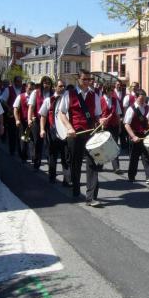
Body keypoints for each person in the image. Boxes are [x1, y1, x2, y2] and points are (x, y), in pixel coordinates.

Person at [58, 69, 107, 206]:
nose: (87, 82)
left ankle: (91, 197)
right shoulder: (69, 94)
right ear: (78, 79)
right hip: (75, 133)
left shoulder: (94, 95)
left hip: (90, 133)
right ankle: (76, 189)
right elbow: (62, 113)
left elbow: (97, 115)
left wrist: (101, 120)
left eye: (89, 79)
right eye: (84, 79)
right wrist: (69, 128)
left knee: (93, 163)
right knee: (76, 163)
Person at [39, 79, 71, 186]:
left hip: (65, 132)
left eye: (64, 86)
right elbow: (43, 116)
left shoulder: (68, 99)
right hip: (52, 132)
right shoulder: (48, 100)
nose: (63, 88)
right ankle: (52, 177)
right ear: (55, 87)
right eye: (60, 86)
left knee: (66, 157)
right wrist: (42, 129)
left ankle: (67, 180)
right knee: (53, 155)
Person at [124, 89, 149, 183]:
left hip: (146, 135)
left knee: (147, 157)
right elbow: (127, 124)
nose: (143, 101)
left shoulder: (148, 107)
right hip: (135, 135)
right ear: (135, 97)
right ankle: (131, 176)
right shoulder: (131, 109)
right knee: (134, 157)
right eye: (141, 99)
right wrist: (133, 136)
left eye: (144, 99)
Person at [28, 76, 53, 170]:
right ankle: (37, 163)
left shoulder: (52, 93)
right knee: (38, 142)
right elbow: (31, 107)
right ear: (42, 84)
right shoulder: (36, 92)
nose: (47, 85)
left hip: (49, 121)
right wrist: (29, 119)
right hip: (37, 121)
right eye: (45, 83)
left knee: (49, 142)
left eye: (49, 83)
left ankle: (51, 163)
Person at [97, 84, 123, 174]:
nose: (112, 92)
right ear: (106, 90)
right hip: (104, 126)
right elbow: (97, 114)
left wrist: (119, 126)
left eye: (113, 90)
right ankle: (99, 165)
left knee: (114, 145)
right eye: (111, 90)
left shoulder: (115, 100)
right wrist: (100, 121)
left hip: (114, 125)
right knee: (102, 145)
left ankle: (116, 167)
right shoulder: (100, 100)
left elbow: (118, 114)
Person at [0, 76, 24, 156]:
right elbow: (2, 100)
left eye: (21, 82)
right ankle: (12, 150)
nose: (20, 83)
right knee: (12, 133)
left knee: (21, 133)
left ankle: (21, 150)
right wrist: (9, 108)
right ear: (15, 82)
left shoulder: (23, 89)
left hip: (21, 114)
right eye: (18, 82)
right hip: (12, 115)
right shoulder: (8, 89)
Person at [13, 82, 35, 162]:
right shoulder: (20, 96)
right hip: (23, 121)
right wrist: (17, 120)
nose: (31, 91)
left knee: (33, 139)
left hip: (34, 121)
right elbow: (15, 109)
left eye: (33, 89)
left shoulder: (36, 97)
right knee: (24, 139)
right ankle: (23, 156)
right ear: (26, 88)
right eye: (30, 89)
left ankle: (33, 157)